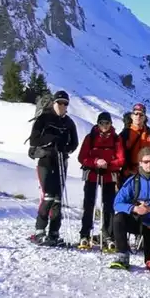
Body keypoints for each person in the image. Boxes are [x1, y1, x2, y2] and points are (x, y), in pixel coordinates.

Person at [110, 147, 150, 270]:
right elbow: (117, 203)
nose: (149, 165)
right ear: (140, 163)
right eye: (145, 162)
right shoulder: (132, 181)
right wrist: (134, 208)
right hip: (136, 221)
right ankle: (122, 255)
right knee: (119, 218)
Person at [28, 90, 79, 246]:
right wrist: (51, 140)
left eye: (65, 103)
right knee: (48, 196)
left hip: (61, 161)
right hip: (45, 161)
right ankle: (39, 231)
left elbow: (74, 142)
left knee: (57, 199)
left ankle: (54, 233)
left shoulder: (69, 122)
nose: (62, 106)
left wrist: (66, 148)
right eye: (60, 103)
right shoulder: (44, 118)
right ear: (54, 103)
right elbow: (34, 139)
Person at [77, 111, 125, 250]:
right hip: (92, 174)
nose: (104, 125)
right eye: (102, 123)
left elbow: (121, 159)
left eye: (107, 123)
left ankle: (107, 235)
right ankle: (85, 234)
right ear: (97, 124)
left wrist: (108, 164)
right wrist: (96, 162)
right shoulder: (90, 137)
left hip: (109, 176)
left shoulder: (116, 139)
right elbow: (82, 157)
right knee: (89, 204)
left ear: (111, 124)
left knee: (108, 206)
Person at [120, 102, 150, 179]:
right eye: (136, 114)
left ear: (145, 117)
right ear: (132, 116)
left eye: (141, 114)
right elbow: (119, 154)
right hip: (128, 174)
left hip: (147, 174)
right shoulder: (124, 135)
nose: (138, 116)